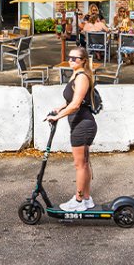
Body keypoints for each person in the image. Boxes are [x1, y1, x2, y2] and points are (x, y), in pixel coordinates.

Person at [45, 47, 97, 212]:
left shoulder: (82, 77)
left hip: (83, 125)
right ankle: (87, 199)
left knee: (79, 165)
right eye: (70, 57)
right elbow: (71, 101)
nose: (71, 60)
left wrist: (57, 117)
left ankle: (79, 200)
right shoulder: (76, 75)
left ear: (83, 60)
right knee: (84, 163)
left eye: (75, 58)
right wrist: (58, 109)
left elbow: (75, 105)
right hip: (80, 124)